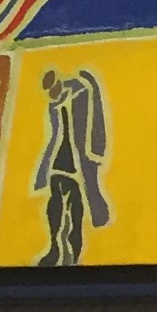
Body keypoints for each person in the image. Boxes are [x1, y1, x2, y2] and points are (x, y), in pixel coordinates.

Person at [32, 66, 111, 266]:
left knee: (76, 209)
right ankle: (54, 248)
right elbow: (54, 135)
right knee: (55, 205)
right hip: (58, 159)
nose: (52, 94)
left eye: (53, 89)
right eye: (49, 92)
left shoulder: (81, 93)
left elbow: (97, 121)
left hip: (79, 160)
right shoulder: (53, 104)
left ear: (59, 83)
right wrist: (44, 167)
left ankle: (74, 253)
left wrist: (96, 152)